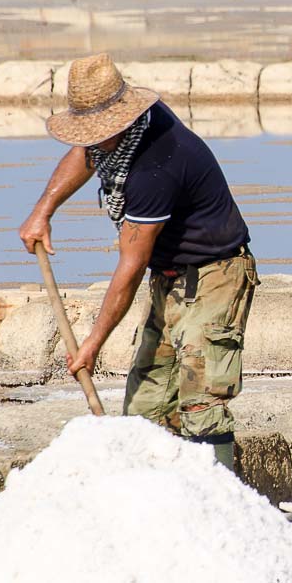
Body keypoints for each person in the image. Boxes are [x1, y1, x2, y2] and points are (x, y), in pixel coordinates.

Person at [19, 54, 256, 470]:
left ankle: (222, 502)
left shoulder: (156, 167)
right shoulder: (121, 132)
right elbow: (87, 151)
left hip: (216, 274)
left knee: (201, 399)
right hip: (169, 277)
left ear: (124, 118)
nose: (95, 140)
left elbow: (129, 267)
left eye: (101, 131)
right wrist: (44, 210)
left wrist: (93, 342)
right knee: (145, 408)